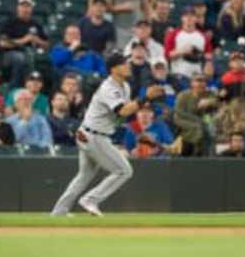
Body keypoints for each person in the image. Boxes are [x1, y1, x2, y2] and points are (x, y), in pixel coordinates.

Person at [51, 53, 163, 217]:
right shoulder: (108, 87)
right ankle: (91, 199)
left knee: (84, 176)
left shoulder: (124, 86)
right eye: (124, 64)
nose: (128, 66)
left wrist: (145, 101)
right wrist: (146, 97)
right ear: (114, 69)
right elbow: (123, 110)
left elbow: (124, 113)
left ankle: (59, 211)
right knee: (124, 171)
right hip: (93, 135)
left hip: (90, 132)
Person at [0, 0, 49, 87]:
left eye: (28, 6)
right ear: (18, 8)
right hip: (10, 54)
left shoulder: (36, 24)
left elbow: (46, 44)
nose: (25, 9)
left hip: (32, 52)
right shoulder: (10, 22)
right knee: (20, 58)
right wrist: (24, 40)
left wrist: (37, 40)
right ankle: (15, 87)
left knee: (43, 60)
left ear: (31, 9)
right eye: (23, 6)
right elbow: (2, 43)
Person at [173, 73, 218, 156]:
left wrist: (209, 102)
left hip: (203, 120)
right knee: (197, 128)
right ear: (192, 83)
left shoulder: (208, 94)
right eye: (198, 81)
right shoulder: (183, 95)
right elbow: (179, 112)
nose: (201, 84)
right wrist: (197, 120)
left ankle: (209, 156)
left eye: (203, 81)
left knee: (211, 129)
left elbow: (216, 101)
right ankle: (196, 152)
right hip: (183, 119)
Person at [164, 6, 213, 79]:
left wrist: (199, 54)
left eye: (192, 16)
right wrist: (183, 51)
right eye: (186, 15)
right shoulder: (173, 34)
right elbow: (167, 55)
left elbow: (209, 56)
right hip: (179, 73)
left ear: (196, 19)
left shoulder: (203, 36)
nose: (189, 18)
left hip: (198, 74)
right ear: (182, 18)